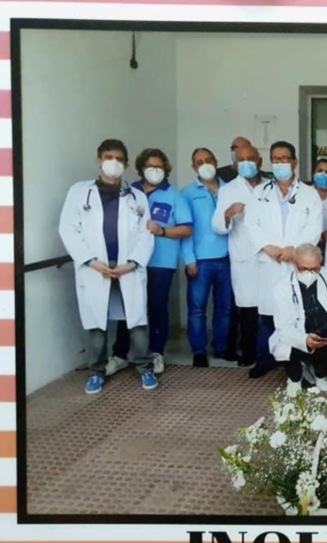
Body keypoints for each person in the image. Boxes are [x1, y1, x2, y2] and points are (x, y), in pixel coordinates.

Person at [58, 139, 157, 394]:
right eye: (108, 157)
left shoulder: (137, 196)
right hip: (94, 267)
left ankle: (144, 368)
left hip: (128, 268)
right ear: (99, 160)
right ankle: (97, 372)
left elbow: (147, 234)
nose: (113, 162)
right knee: (96, 323)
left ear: (125, 163)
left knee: (136, 322)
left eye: (119, 158)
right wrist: (91, 261)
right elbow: (68, 228)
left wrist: (132, 263)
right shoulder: (80, 192)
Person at [110, 148, 193, 376]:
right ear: (140, 169)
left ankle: (156, 352)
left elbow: (187, 229)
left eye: (159, 166)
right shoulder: (127, 192)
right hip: (129, 261)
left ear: (165, 169)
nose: (154, 170)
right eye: (149, 166)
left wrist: (162, 230)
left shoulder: (174, 195)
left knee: (156, 308)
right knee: (127, 307)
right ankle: (120, 354)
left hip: (161, 263)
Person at [244, 141, 323, 379]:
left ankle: (295, 362)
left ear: (294, 162)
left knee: (298, 313)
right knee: (267, 315)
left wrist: (294, 250)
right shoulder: (260, 193)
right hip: (270, 261)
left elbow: (314, 227)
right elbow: (251, 224)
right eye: (275, 159)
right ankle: (265, 359)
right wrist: (267, 247)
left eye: (284, 159)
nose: (280, 163)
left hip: (296, 262)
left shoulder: (309, 194)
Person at [180, 147, 236, 367]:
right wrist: (189, 259)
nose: (205, 164)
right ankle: (199, 350)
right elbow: (185, 230)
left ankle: (221, 348)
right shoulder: (186, 193)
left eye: (208, 159)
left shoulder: (230, 189)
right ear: (193, 167)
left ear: (216, 160)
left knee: (225, 308)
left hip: (228, 258)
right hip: (200, 261)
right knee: (197, 309)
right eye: (199, 161)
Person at [212, 143, 264, 372]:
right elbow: (217, 226)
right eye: (240, 159)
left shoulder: (270, 186)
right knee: (247, 308)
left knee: (270, 307)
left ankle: (269, 354)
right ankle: (250, 352)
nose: (246, 163)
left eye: (250, 158)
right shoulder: (228, 190)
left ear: (259, 161)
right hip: (244, 256)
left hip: (269, 255)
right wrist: (228, 212)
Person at [270, 243, 327, 398]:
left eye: (314, 269)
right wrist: (304, 339)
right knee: (286, 347)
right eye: (304, 269)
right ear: (295, 265)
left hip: (323, 334)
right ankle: (295, 378)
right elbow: (283, 327)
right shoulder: (282, 288)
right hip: (296, 335)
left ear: (320, 265)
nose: (309, 273)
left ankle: (320, 375)